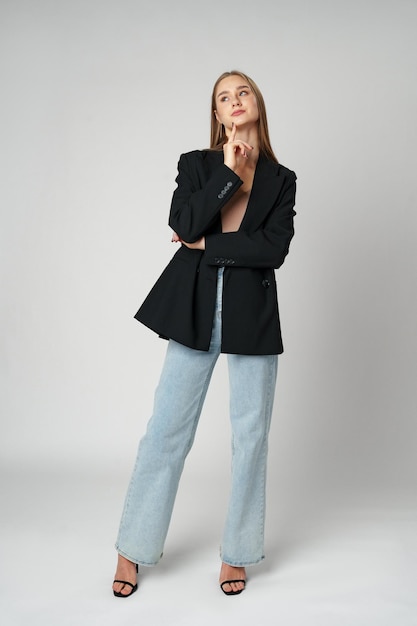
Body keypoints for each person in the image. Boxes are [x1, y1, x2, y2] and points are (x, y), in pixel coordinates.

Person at [112, 70, 297, 598]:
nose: (234, 101)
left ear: (257, 103)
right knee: (166, 431)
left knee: (251, 438)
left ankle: (237, 554)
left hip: (252, 318)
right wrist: (229, 175)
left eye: (242, 92)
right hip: (192, 310)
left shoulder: (283, 179)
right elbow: (185, 223)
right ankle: (133, 548)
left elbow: (273, 251)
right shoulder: (197, 165)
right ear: (217, 115)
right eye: (223, 97)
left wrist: (208, 249)